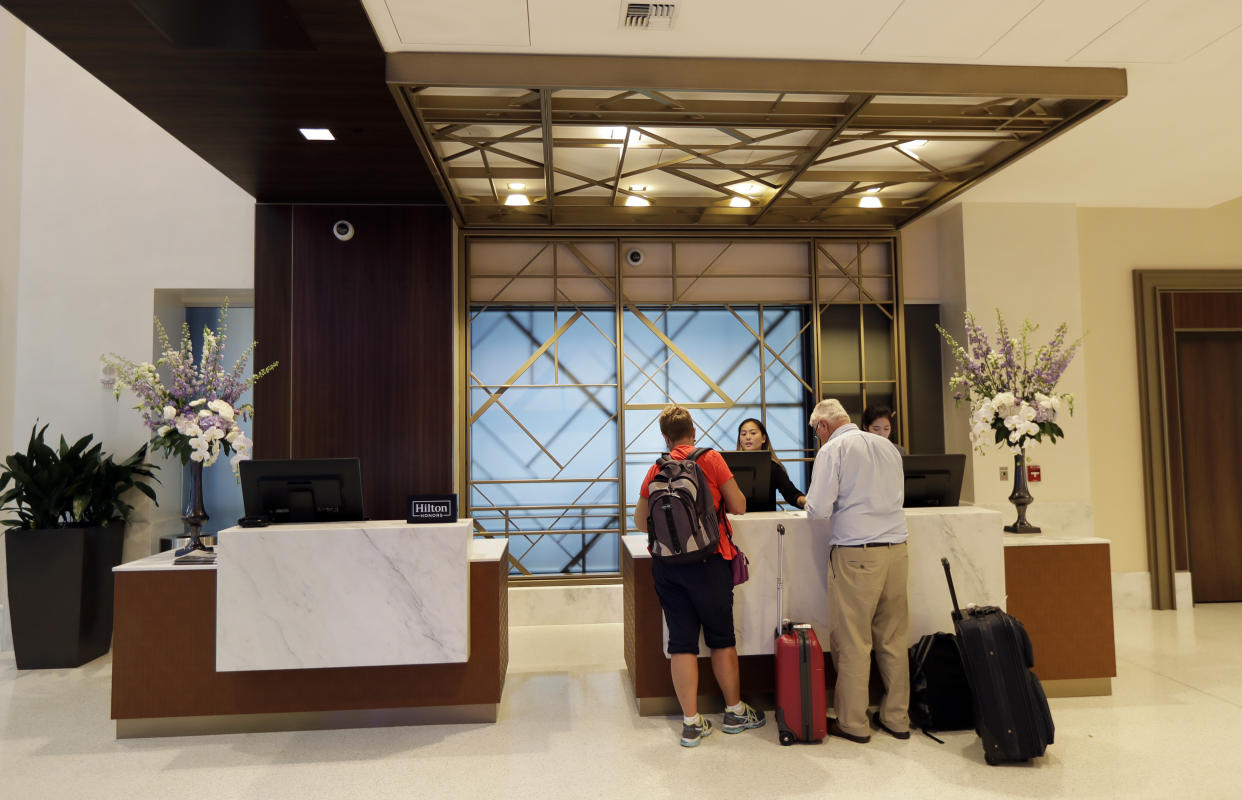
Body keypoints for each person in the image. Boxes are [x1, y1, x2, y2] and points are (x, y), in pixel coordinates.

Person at [634, 404, 765, 747]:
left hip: (668, 567)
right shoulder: (711, 459)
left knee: (681, 643)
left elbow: (639, 521)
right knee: (721, 639)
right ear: (694, 431)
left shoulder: (656, 468)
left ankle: (691, 723)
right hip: (710, 561)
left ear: (665, 436)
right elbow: (738, 506)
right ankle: (734, 712)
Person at [804, 398, 910, 744]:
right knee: (893, 639)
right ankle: (896, 718)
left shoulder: (833, 450)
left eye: (816, 432)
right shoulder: (889, 447)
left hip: (857, 553)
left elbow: (818, 510)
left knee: (853, 641)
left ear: (824, 426)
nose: (818, 438)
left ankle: (852, 723)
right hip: (897, 551)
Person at [735, 417, 806, 511]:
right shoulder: (729, 466)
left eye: (753, 433)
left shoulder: (773, 467)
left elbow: (791, 494)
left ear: (763, 438)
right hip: (735, 521)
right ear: (740, 439)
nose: (748, 437)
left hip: (765, 521)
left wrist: (805, 501)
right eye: (743, 434)